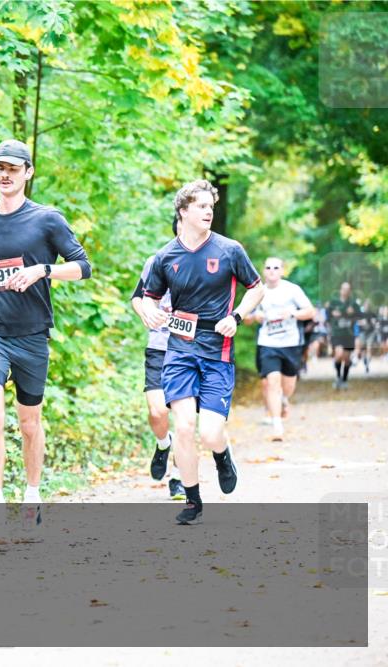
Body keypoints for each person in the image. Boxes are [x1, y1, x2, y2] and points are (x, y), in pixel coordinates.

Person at [0, 139, 91, 540]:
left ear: (28, 173)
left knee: (29, 424)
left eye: (13, 168)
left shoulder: (47, 219)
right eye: (0, 167)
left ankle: (32, 494)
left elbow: (83, 267)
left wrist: (42, 272)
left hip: (32, 336)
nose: (5, 174)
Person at [142, 179, 264, 525]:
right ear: (183, 211)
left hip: (217, 350)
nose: (208, 211)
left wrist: (236, 316)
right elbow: (149, 297)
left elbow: (256, 289)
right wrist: (150, 311)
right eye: (201, 206)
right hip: (179, 351)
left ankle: (223, 456)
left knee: (209, 433)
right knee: (183, 427)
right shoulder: (166, 257)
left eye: (211, 206)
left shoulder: (229, 250)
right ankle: (192, 500)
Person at [130, 219, 183, 501]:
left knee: (185, 419)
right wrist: (146, 314)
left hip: (191, 350)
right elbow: (138, 298)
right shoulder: (157, 261)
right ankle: (164, 444)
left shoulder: (211, 262)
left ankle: (178, 477)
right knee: (157, 411)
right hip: (159, 347)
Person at [245, 257, 314, 441]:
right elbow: (245, 316)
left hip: (291, 343)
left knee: (288, 385)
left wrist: (292, 313)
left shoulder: (292, 290)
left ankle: (284, 400)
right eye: (268, 267)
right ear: (264, 271)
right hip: (268, 343)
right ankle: (277, 426)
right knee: (272, 382)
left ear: (282, 271)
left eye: (276, 267)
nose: (272, 271)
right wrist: (255, 316)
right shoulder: (258, 291)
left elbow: (310, 311)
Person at [325, 282, 362, 389]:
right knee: (339, 354)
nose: (345, 291)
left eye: (348, 289)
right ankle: (338, 376)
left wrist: (353, 313)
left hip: (348, 335)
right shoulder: (333, 303)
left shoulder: (353, 304)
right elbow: (327, 316)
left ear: (350, 291)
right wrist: (332, 314)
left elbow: (360, 317)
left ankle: (344, 379)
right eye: (343, 289)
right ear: (340, 290)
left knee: (346, 358)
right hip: (337, 333)